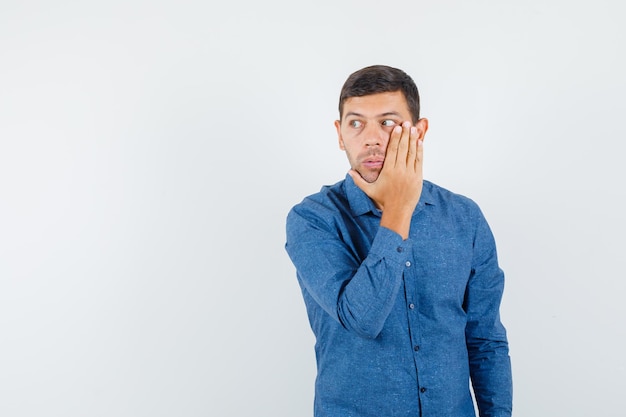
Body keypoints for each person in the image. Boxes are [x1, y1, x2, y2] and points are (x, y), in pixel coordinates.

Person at [284, 65, 512, 417]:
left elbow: (485, 341)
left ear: (419, 131)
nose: (371, 139)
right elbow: (362, 319)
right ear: (340, 134)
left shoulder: (464, 217)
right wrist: (399, 209)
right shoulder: (313, 220)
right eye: (356, 123)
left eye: (388, 122)